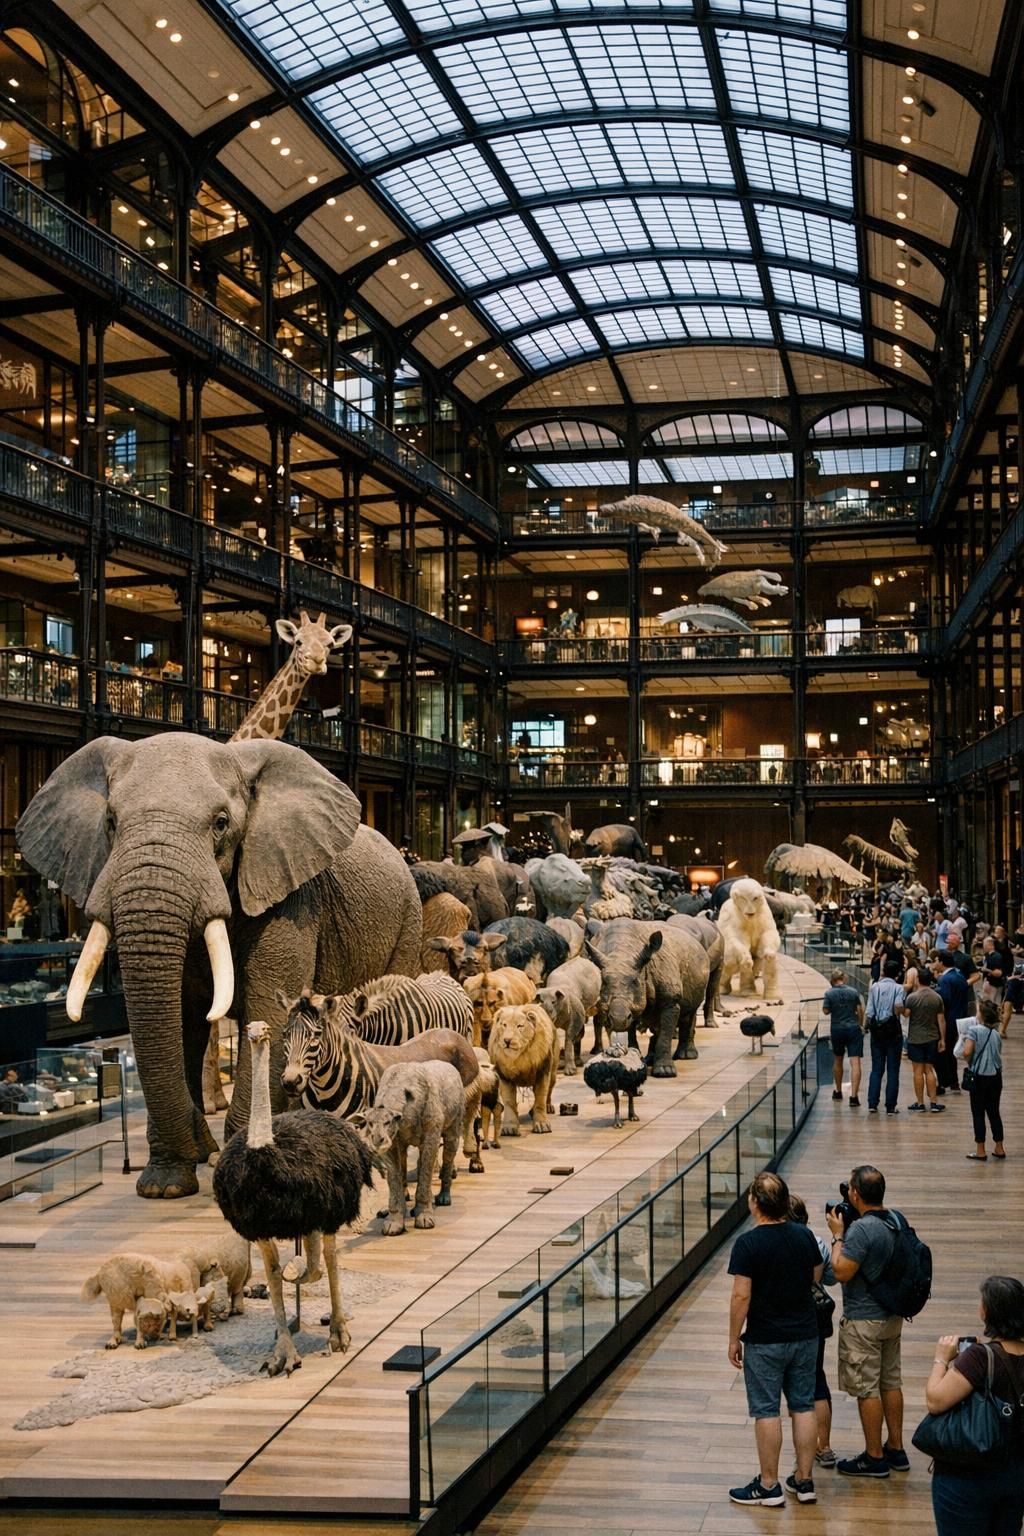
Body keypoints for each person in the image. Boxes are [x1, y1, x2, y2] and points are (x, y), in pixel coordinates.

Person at [727, 1172, 823, 1507]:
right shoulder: (804, 1236)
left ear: (754, 1203)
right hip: (805, 1334)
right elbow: (815, 1275)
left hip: (766, 1338)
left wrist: (732, 1339)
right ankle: (805, 1480)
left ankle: (769, 1485)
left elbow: (741, 1296)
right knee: (803, 1405)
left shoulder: (748, 1244)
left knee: (767, 1410)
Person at [825, 1165, 909, 1478]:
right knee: (891, 1381)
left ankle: (874, 1457)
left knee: (866, 1388)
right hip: (892, 1314)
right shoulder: (896, 1219)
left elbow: (840, 1273)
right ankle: (896, 1448)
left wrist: (837, 1237)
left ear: (856, 1194)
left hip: (864, 1320)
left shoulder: (860, 1231)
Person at [924, 1275, 1024, 1536]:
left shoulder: (979, 1357)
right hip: (1015, 1471)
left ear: (987, 1312)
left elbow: (935, 1400)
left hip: (968, 1475)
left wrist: (941, 1360)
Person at [789, 1194, 838, 1469]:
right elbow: (829, 1277)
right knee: (817, 1378)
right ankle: (825, 1446)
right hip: (815, 1318)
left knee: (797, 1387)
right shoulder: (816, 1243)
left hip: (788, 1320)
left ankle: (803, 1453)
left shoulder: (779, 1242)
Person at [962, 999, 1006, 1161]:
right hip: (995, 1076)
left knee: (978, 1113)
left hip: (979, 1077)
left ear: (981, 1015)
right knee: (994, 1112)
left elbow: (967, 1052)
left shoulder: (973, 1031)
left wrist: (968, 1060)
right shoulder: (996, 1034)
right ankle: (999, 1147)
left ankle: (980, 1150)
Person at [899, 966, 947, 1114]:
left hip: (915, 1038)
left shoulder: (912, 998)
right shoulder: (936, 997)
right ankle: (933, 1102)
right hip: (932, 1037)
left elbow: (906, 1015)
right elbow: (941, 1020)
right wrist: (942, 1039)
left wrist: (899, 1008)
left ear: (918, 980)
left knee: (917, 1071)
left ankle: (920, 1103)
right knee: (929, 1070)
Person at [865, 958, 906, 1115]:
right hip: (893, 1031)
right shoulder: (898, 988)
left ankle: (872, 1103)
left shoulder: (874, 987)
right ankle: (890, 1106)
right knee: (893, 1069)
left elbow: (869, 1012)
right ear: (897, 975)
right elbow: (898, 1007)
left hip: (877, 1031)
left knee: (876, 1068)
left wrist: (866, 1027)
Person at [823, 968, 865, 1106]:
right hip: (853, 1028)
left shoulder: (829, 993)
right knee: (855, 1062)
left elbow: (825, 1011)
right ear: (844, 978)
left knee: (838, 1059)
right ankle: (854, 1097)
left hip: (837, 1028)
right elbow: (860, 1009)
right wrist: (860, 1024)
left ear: (832, 980)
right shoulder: (853, 992)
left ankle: (838, 1090)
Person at [933, 950, 972, 1095]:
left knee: (942, 1051)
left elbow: (944, 1001)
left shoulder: (944, 980)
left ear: (942, 962)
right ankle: (954, 1081)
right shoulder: (960, 975)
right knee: (950, 1051)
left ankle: (943, 1082)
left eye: (936, 960)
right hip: (959, 1018)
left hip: (948, 1019)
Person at [1001, 933, 1024, 1039]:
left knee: (1008, 1006)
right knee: (1008, 1006)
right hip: (1014, 981)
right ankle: (1002, 1030)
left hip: (1016, 980)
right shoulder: (1011, 956)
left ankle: (1002, 1030)